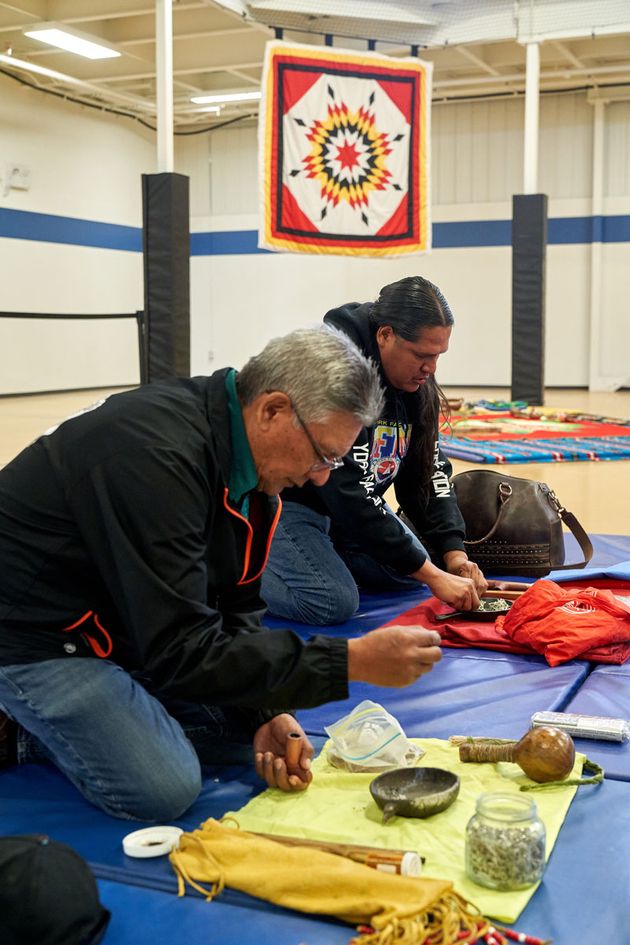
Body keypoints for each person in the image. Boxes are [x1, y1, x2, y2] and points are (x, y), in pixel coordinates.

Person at [0, 326, 443, 821]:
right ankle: (16, 728)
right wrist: (348, 662)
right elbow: (183, 651)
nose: (321, 477)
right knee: (163, 787)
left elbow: (236, 608)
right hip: (34, 632)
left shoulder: (248, 460)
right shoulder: (155, 460)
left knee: (241, 735)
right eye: (323, 455)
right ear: (273, 410)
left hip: (120, 618)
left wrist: (264, 711)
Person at [261, 277, 488, 626]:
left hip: (342, 514)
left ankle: (321, 554)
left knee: (413, 565)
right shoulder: (333, 377)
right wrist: (431, 576)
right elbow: (345, 488)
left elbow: (428, 470)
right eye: (422, 355)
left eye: (438, 356)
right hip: (287, 504)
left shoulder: (413, 379)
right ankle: (229, 569)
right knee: (329, 601)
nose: (431, 368)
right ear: (385, 335)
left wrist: (455, 555)